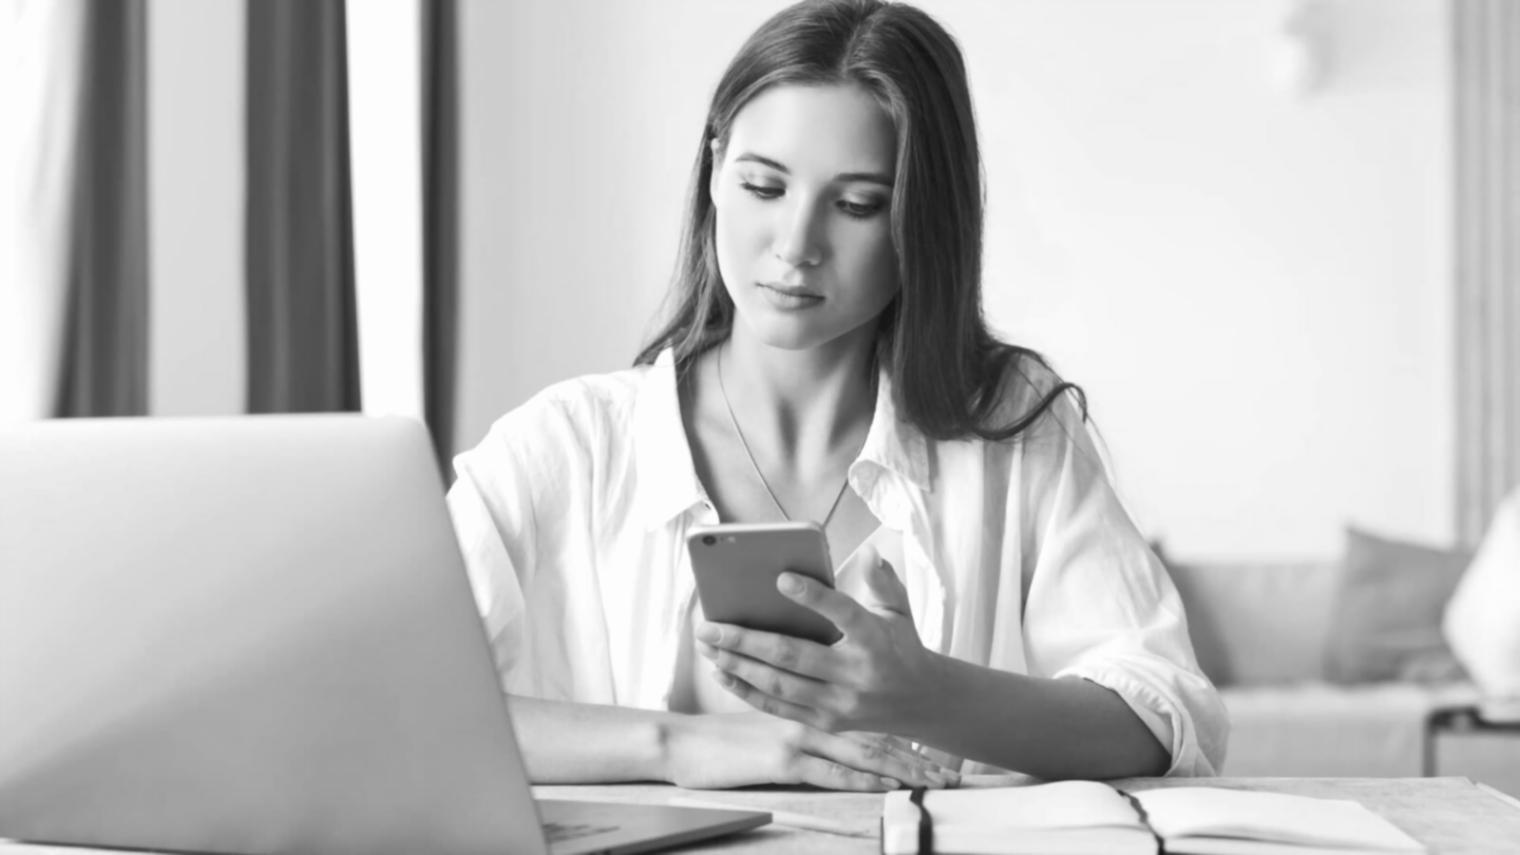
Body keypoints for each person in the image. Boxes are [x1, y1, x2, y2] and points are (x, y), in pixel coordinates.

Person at [447, 0, 1228, 792]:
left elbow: (1166, 716)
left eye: (856, 204)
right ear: (716, 170)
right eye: (763, 185)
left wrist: (928, 695)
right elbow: (383, 707)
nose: (795, 246)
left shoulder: (1009, 426)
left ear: (923, 220)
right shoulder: (565, 447)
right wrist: (678, 745)